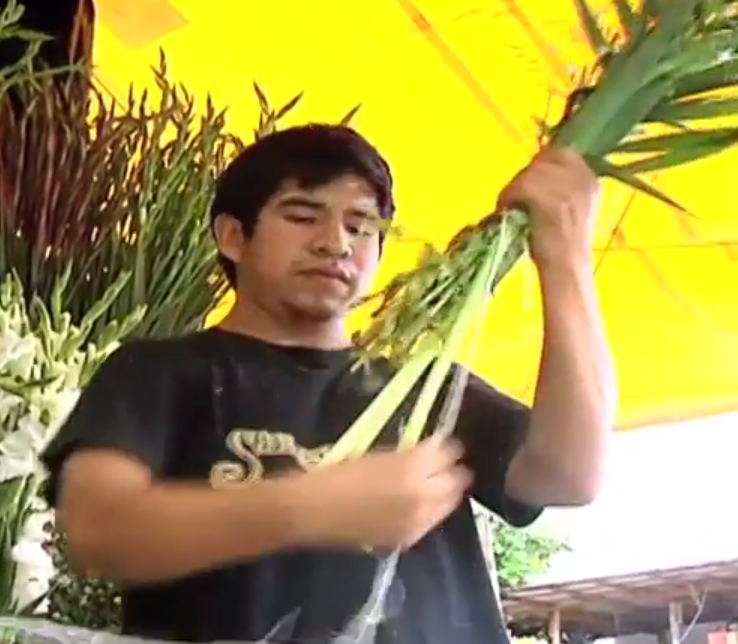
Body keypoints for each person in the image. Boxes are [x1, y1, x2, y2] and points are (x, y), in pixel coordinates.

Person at [41, 124, 616, 644]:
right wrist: (312, 506)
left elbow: (569, 475)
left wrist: (564, 261)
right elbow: (97, 531)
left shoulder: (425, 388)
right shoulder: (156, 373)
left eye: (360, 226)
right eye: (302, 215)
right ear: (233, 237)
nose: (335, 242)